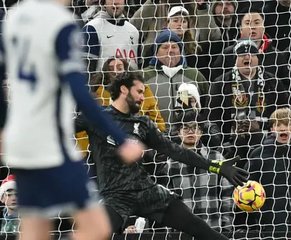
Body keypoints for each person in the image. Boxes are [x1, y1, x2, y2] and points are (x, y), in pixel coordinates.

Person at [0, 0, 144, 239]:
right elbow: (80, 92)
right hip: (49, 141)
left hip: (22, 140)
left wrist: (5, 125)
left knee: (35, 230)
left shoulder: (16, 17)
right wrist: (121, 139)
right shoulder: (60, 22)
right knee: (96, 228)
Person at [74, 71, 248, 239]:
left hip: (148, 193)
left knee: (200, 229)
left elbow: (176, 151)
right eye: (140, 91)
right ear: (124, 89)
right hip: (116, 197)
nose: (143, 97)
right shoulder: (96, 117)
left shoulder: (142, 123)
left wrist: (216, 166)